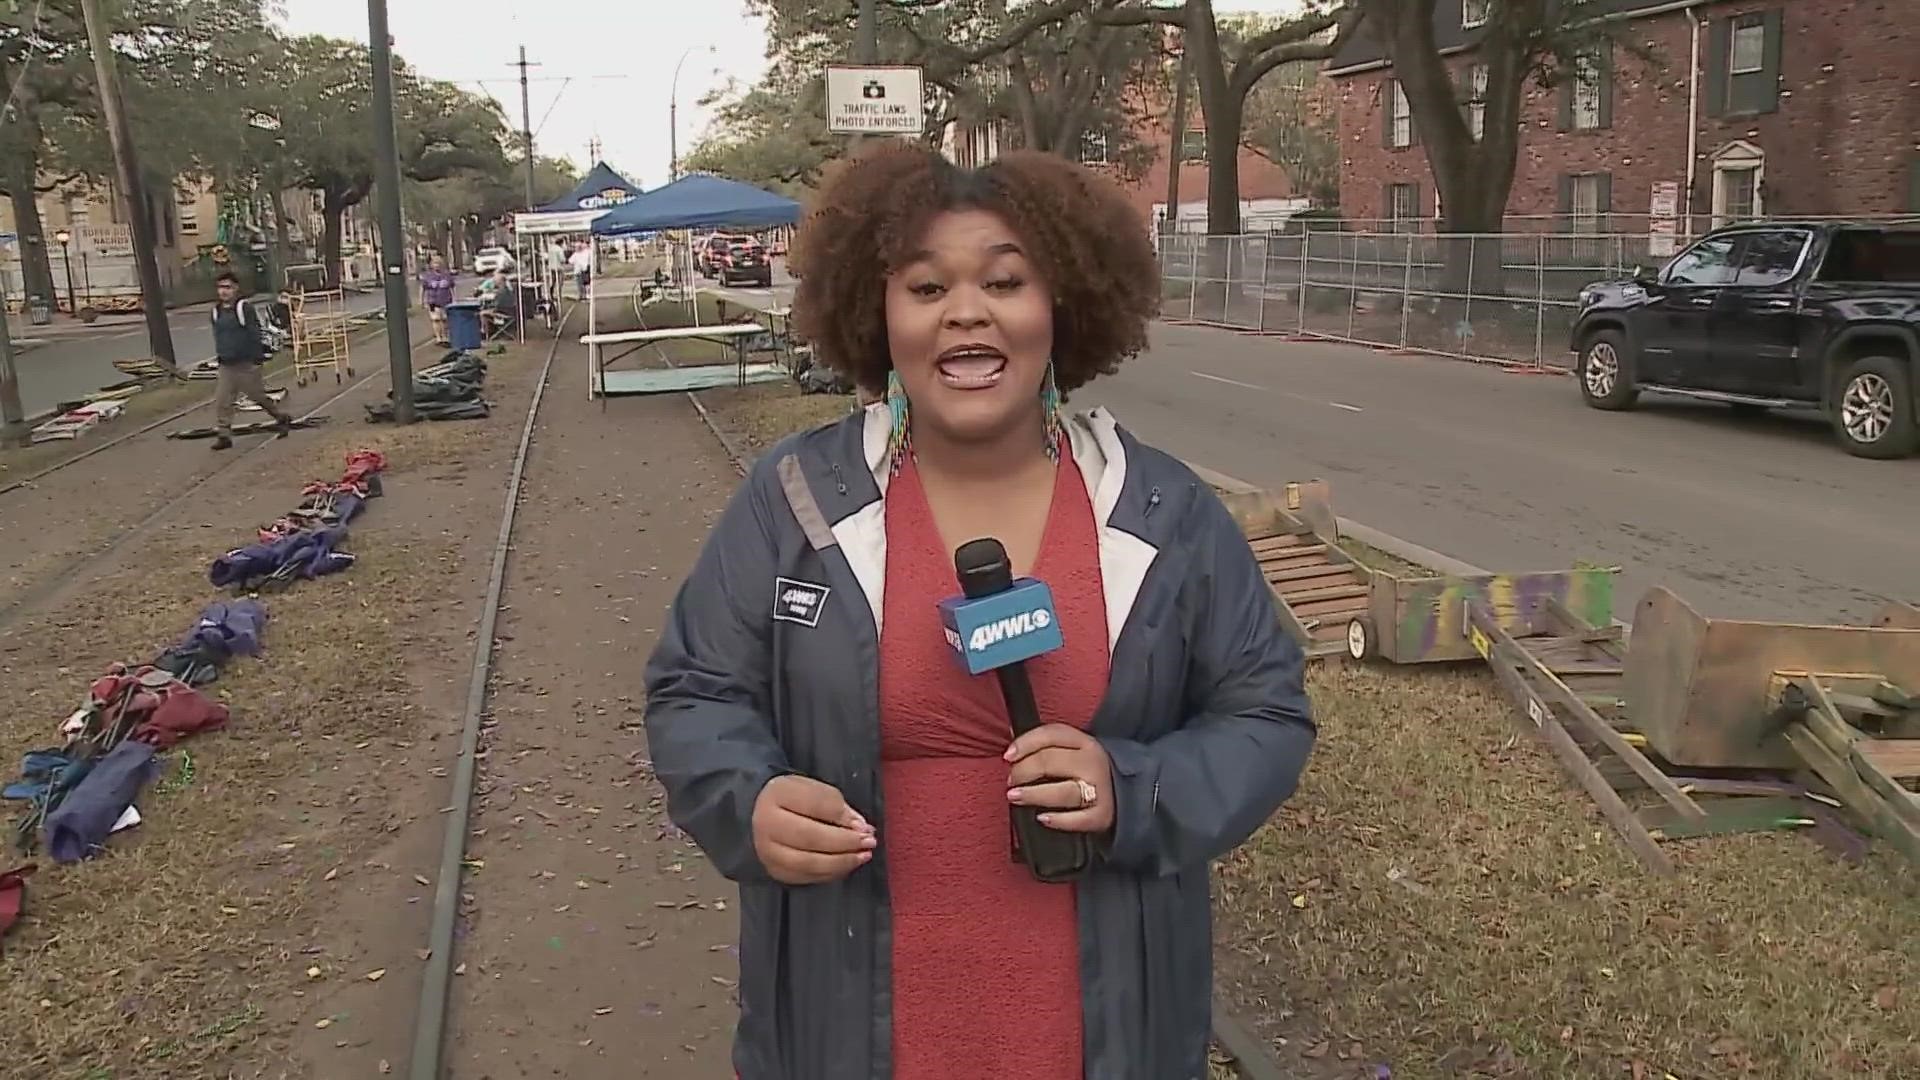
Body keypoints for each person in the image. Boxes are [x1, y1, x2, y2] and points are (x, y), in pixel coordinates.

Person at [643, 145, 1315, 1080]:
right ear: (878, 315)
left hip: (1098, 1027)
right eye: (926, 288)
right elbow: (694, 691)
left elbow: (1267, 712)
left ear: (1062, 307)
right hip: (851, 1024)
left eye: (1006, 281)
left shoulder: (1164, 512)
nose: (967, 311)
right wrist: (745, 800)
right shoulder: (792, 499)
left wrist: (1133, 789)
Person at [209, 272, 294, 451]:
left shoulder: (244, 308)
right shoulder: (216, 311)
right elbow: (218, 335)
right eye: (220, 287)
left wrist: (257, 357)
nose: (223, 291)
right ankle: (224, 435)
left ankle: (280, 416)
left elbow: (254, 333)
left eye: (227, 287)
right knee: (223, 400)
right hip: (226, 364)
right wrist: (220, 355)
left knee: (256, 395)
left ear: (235, 288)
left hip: (246, 362)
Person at [420, 255, 457, 346]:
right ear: (432, 265)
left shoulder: (447, 275)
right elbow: (423, 288)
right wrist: (421, 300)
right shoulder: (428, 276)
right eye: (435, 263)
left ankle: (445, 336)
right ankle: (438, 338)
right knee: (436, 319)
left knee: (444, 319)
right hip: (433, 301)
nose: (437, 265)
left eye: (438, 263)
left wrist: (455, 299)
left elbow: (452, 287)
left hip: (446, 300)